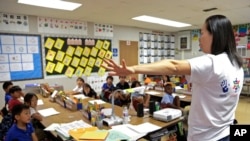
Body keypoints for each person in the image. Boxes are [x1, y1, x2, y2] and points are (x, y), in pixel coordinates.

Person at [103, 15, 243, 141]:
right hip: (227, 132)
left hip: (206, 137)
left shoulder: (212, 62)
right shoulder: (237, 65)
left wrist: (132, 69)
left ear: (215, 35)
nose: (200, 38)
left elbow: (173, 66)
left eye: (202, 33)